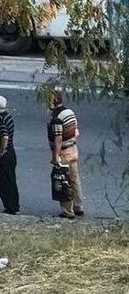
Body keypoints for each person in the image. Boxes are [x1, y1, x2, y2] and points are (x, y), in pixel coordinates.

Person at [47, 90, 84, 219]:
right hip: (73, 149)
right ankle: (78, 206)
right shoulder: (70, 112)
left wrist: (56, 156)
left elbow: (58, 138)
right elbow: (76, 132)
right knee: (75, 179)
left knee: (63, 180)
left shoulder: (56, 118)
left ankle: (67, 210)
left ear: (52, 102)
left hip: (63, 152)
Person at [0, 96, 20, 215]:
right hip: (11, 153)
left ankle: (11, 206)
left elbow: (5, 136)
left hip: (5, 154)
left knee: (4, 182)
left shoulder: (1, 119)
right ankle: (13, 205)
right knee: (10, 180)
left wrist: (2, 150)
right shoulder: (8, 116)